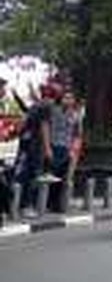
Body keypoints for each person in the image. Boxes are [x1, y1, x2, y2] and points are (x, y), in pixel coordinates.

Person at [14, 82, 62, 217]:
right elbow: (44, 126)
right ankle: (25, 206)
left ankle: (16, 204)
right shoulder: (47, 106)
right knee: (33, 174)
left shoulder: (37, 104)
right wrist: (47, 148)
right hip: (35, 144)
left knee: (22, 172)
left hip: (25, 141)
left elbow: (25, 122)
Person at [47, 90, 84, 213]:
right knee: (50, 176)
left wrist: (74, 150)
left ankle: (57, 205)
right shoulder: (53, 111)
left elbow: (78, 135)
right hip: (53, 146)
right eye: (65, 97)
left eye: (70, 98)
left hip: (66, 148)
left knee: (62, 178)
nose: (67, 100)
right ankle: (46, 202)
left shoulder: (76, 115)